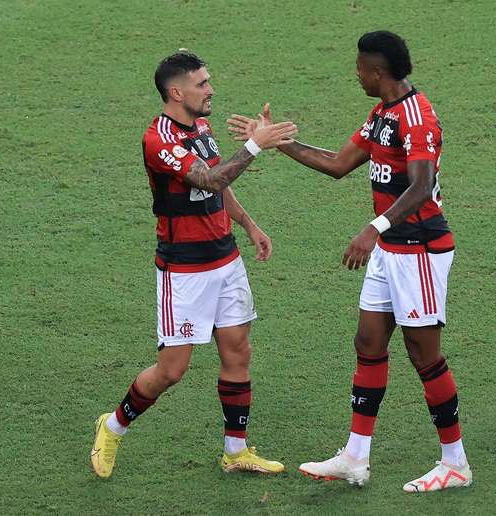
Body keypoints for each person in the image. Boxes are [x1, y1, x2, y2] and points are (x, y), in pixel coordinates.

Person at [227, 31, 472, 492]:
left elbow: (421, 186)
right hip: (390, 249)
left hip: (419, 250)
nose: (356, 74)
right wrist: (276, 142)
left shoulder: (416, 117)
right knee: (368, 343)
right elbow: (339, 164)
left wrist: (373, 228)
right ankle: (355, 458)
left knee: (425, 357)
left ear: (378, 71)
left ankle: (455, 463)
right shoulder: (382, 114)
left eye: (360, 67)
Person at [90, 50, 297, 479]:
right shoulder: (158, 141)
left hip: (226, 259)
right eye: (202, 84)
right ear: (176, 92)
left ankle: (235, 451)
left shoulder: (201, 127)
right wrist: (255, 144)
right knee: (172, 370)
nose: (210, 90)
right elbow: (209, 179)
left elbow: (220, 185)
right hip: (184, 271)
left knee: (238, 351)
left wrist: (249, 225)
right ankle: (112, 427)